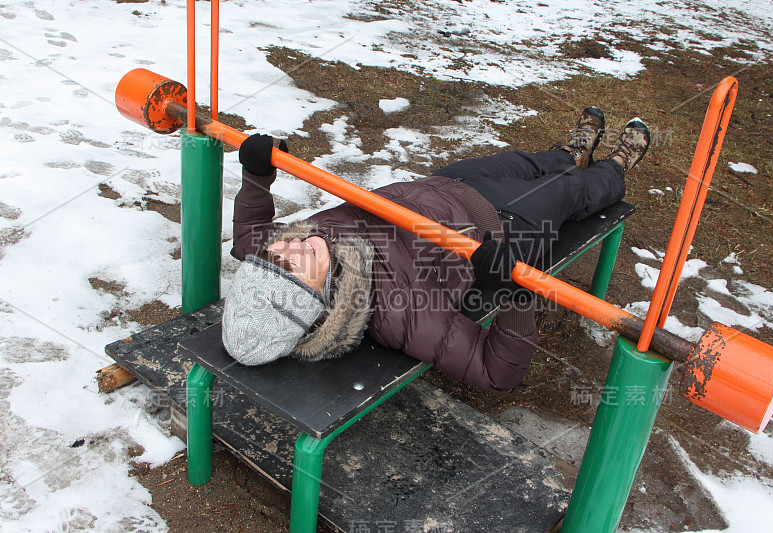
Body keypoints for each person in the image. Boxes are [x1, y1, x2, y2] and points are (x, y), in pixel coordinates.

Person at [222, 108, 650, 392]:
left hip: (443, 185)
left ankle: (570, 153)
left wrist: (256, 174)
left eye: (275, 254)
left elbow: (247, 235)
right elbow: (494, 372)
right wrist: (514, 292)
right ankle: (614, 167)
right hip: (499, 228)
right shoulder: (398, 314)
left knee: (528, 163)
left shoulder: (284, 249)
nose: (292, 245)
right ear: (316, 302)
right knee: (571, 190)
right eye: (294, 266)